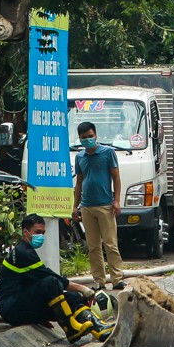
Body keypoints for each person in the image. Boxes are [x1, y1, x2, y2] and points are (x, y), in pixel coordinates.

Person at [0, 216, 112, 341]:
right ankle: (70, 328)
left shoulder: (27, 250)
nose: (41, 236)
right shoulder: (22, 253)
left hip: (23, 303)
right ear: (25, 232)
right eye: (37, 232)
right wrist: (82, 288)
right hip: (12, 309)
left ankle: (98, 328)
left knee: (73, 298)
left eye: (43, 233)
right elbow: (49, 277)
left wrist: (79, 292)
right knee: (50, 282)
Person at [71, 120, 124, 287]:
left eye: (90, 136)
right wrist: (75, 206)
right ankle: (99, 281)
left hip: (105, 205)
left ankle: (117, 279)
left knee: (111, 244)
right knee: (93, 247)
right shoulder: (80, 157)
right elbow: (79, 182)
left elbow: (116, 177)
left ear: (96, 135)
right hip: (86, 207)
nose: (88, 140)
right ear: (79, 139)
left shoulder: (108, 153)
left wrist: (116, 201)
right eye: (84, 137)